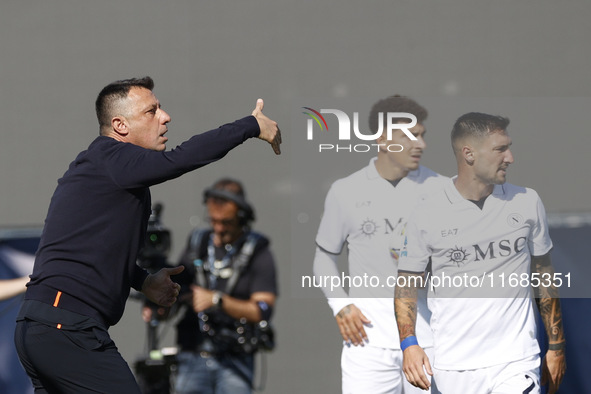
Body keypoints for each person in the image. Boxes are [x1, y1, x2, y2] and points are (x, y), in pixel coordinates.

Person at [14, 76, 281, 393]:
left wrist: (142, 280)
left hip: (43, 326)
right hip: (67, 327)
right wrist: (250, 125)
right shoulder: (112, 158)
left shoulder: (112, 173)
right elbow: (180, 158)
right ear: (120, 125)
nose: (165, 117)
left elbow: (97, 250)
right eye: (151, 111)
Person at [394, 112, 566, 394]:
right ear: (469, 154)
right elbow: (406, 285)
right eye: (500, 149)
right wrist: (409, 344)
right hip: (453, 366)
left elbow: (543, 275)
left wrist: (556, 346)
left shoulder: (527, 201)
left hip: (516, 361)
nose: (510, 157)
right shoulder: (426, 212)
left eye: (508, 147)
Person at [312, 96, 447, 393]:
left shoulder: (444, 190)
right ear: (383, 139)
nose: (420, 145)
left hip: (430, 342)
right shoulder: (345, 191)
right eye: (409, 136)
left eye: (422, 136)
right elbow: (323, 258)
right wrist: (341, 304)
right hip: (366, 345)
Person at [146, 178, 277, 394]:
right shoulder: (198, 243)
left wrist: (217, 301)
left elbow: (263, 310)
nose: (218, 228)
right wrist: (161, 306)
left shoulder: (258, 251)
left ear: (241, 217)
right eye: (213, 221)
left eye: (226, 222)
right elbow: (178, 286)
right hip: (192, 354)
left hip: (235, 359)